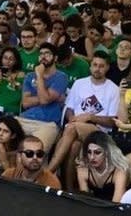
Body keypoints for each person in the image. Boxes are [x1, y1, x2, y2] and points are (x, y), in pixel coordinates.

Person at [48, 51, 119, 188]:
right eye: (94, 65)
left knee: (71, 128)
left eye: (101, 66)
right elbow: (69, 108)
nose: (97, 69)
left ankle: (48, 172)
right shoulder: (79, 83)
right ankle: (69, 188)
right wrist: (71, 118)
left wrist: (91, 117)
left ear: (107, 68)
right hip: (75, 127)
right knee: (74, 146)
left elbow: (112, 121)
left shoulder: (113, 89)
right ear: (90, 66)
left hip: (99, 131)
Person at [17, 42, 68, 153]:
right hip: (25, 118)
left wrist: (39, 75)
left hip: (47, 123)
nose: (43, 56)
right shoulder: (30, 76)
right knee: (4, 133)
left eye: (47, 53)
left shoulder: (61, 77)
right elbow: (25, 103)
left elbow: (44, 101)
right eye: (41, 54)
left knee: (35, 152)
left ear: (55, 58)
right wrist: (48, 96)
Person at [76, 130, 131, 202]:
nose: (92, 157)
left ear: (107, 152)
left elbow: (116, 204)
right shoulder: (83, 169)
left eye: (97, 152)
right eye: (89, 152)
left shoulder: (119, 171)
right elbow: (85, 201)